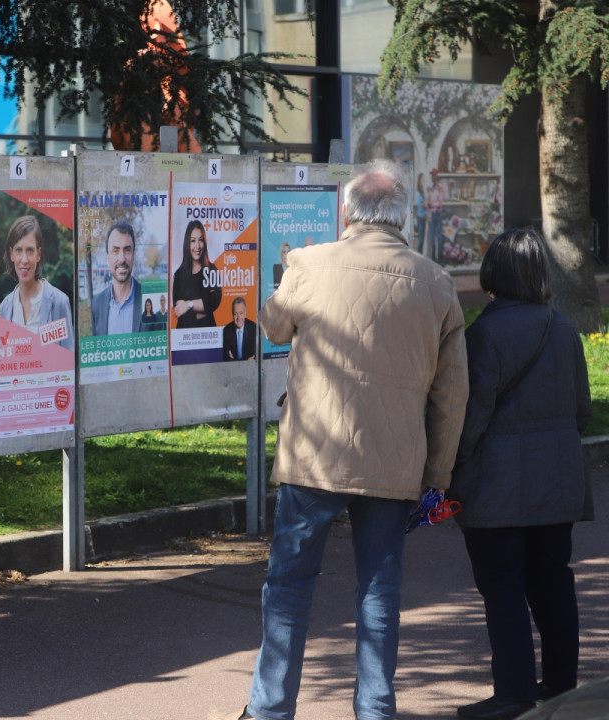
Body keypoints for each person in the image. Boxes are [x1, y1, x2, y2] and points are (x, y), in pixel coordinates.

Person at [210, 159, 468, 720]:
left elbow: (273, 325)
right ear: (402, 216)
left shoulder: (308, 262)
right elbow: (453, 396)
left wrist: (283, 279)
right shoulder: (437, 283)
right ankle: (375, 709)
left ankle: (269, 708)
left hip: (314, 456)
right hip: (394, 461)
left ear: (346, 212)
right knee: (379, 592)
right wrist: (438, 477)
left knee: (288, 585)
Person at [450, 229, 591, 720]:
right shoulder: (565, 328)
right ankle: (560, 690)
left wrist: (450, 470)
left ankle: (512, 693)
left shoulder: (484, 334)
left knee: (503, 588)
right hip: (558, 482)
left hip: (497, 487)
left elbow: (471, 417)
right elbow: (582, 411)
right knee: (554, 584)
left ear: (493, 273)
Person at [0, 215, 74, 352]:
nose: (24, 259)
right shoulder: (5, 307)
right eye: (18, 250)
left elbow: (68, 360)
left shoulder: (59, 302)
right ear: (11, 254)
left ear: (39, 254)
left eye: (30, 251)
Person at [90, 220, 143, 335]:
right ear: (107, 258)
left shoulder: (150, 300)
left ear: (133, 255)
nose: (122, 259)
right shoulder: (96, 305)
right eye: (116, 250)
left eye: (127, 250)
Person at [172, 219, 221, 328]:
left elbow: (214, 302)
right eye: (193, 241)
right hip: (185, 337)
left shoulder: (212, 270)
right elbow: (179, 311)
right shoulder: (179, 275)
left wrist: (188, 305)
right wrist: (204, 308)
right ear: (187, 243)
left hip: (209, 335)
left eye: (201, 240)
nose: (197, 246)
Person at [222, 297, 256, 361]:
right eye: (235, 314)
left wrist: (234, 359)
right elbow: (226, 358)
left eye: (241, 313)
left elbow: (254, 356)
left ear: (245, 314)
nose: (238, 317)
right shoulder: (227, 330)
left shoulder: (254, 328)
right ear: (232, 314)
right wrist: (246, 360)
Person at [428, 168, 446, 264]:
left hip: (438, 215)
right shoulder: (431, 189)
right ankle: (433, 260)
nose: (432, 177)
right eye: (431, 175)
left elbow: (440, 203)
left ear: (437, 176)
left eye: (434, 175)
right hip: (432, 214)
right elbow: (430, 201)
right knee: (432, 238)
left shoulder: (440, 188)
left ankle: (440, 260)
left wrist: (432, 205)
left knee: (439, 238)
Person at [415, 172, 428, 254]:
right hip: (420, 218)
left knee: (422, 240)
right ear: (419, 181)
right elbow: (421, 206)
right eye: (422, 179)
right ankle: (418, 256)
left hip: (424, 218)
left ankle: (420, 256)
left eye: (424, 179)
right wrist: (428, 199)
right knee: (420, 240)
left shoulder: (423, 192)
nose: (423, 180)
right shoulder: (418, 193)